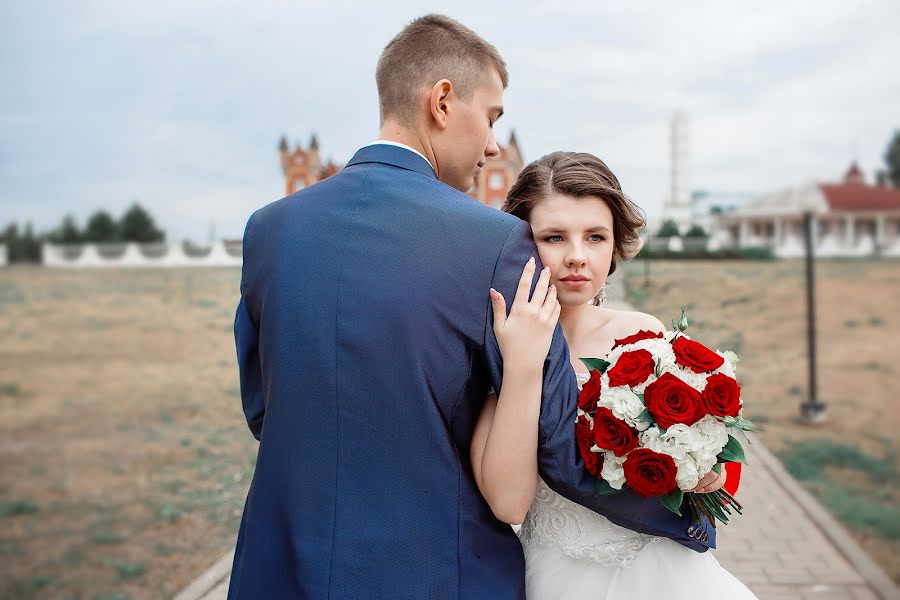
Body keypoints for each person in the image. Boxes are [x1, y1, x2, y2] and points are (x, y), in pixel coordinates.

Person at [230, 15, 713, 600]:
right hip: (429, 567)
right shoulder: (493, 242)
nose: (491, 144)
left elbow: (263, 408)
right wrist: (685, 507)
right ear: (441, 101)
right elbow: (560, 448)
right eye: (490, 117)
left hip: (281, 562)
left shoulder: (269, 229)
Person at [473, 151, 757, 599]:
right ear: (522, 244)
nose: (577, 257)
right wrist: (525, 365)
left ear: (615, 243)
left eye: (595, 237)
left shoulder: (642, 333)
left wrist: (703, 471)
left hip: (665, 572)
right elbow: (508, 502)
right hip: (559, 575)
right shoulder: (501, 347)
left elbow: (701, 454)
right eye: (553, 237)